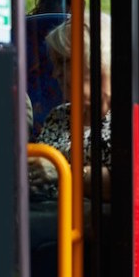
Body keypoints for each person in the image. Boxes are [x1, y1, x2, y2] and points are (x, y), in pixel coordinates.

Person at [29, 15, 112, 203]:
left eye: (64, 62)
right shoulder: (59, 115)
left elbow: (127, 181)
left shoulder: (129, 118)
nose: (55, 73)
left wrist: (61, 171)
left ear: (97, 62)